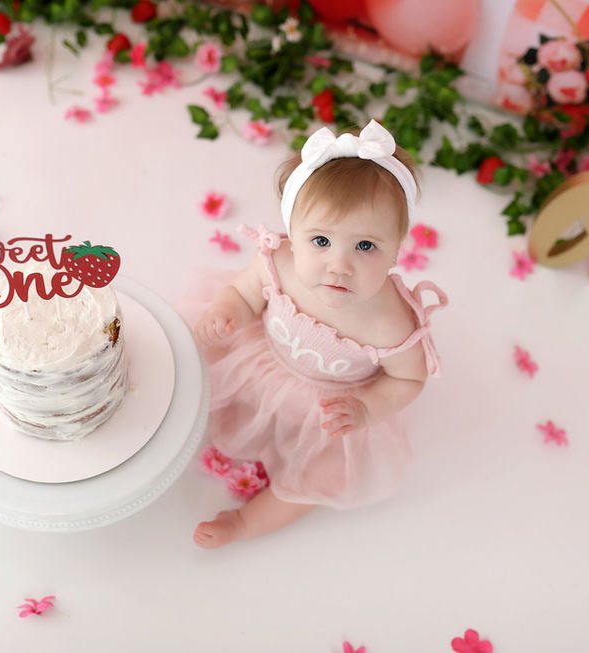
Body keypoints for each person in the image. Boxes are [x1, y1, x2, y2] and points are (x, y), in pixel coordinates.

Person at [190, 120, 446, 549]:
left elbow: (408, 378)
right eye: (321, 240)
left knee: (322, 476)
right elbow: (243, 292)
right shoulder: (280, 262)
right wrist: (226, 311)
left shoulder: (391, 322)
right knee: (195, 370)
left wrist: (366, 409)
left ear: (396, 250)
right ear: (292, 232)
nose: (339, 265)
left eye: (365, 246)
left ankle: (245, 523)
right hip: (263, 366)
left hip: (329, 408)